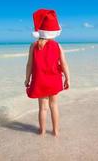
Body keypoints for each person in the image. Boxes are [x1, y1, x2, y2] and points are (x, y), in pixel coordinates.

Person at [24, 9, 70, 137]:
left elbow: (29, 65)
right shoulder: (57, 45)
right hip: (54, 80)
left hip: (40, 81)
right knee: (54, 106)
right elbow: (64, 64)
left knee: (43, 108)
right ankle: (55, 132)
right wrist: (68, 78)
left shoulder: (33, 46)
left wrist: (27, 79)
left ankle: (42, 131)